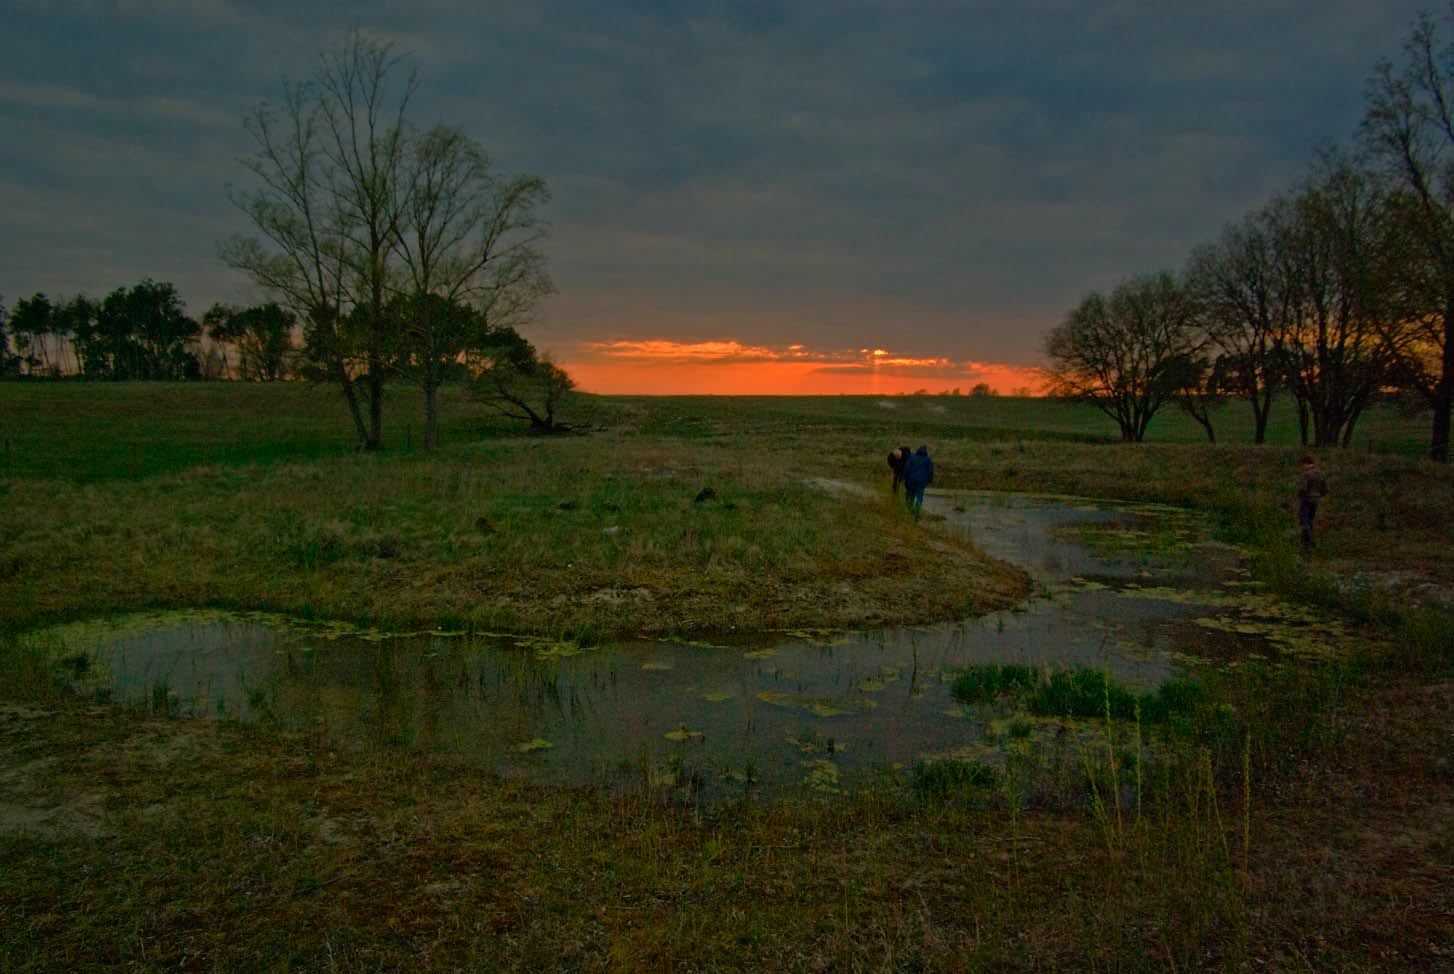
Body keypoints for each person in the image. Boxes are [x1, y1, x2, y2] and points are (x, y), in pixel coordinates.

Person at [1296, 454, 1329, 548]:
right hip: (1316, 499)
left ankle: (1306, 533)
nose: (1301, 467)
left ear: (1306, 463)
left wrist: (1300, 496)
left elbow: (1303, 488)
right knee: (1311, 518)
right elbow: (1325, 489)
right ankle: (1308, 540)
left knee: (1303, 517)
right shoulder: (1321, 474)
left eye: (1302, 465)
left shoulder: (1306, 474)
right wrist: (1319, 495)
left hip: (1307, 498)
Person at [902, 445, 934, 516]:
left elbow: (907, 468)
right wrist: (930, 480)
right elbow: (930, 471)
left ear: (918, 450)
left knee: (910, 496)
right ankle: (916, 513)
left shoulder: (912, 457)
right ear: (926, 452)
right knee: (919, 497)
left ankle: (909, 511)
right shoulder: (928, 459)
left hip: (911, 480)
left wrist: (904, 477)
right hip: (921, 482)